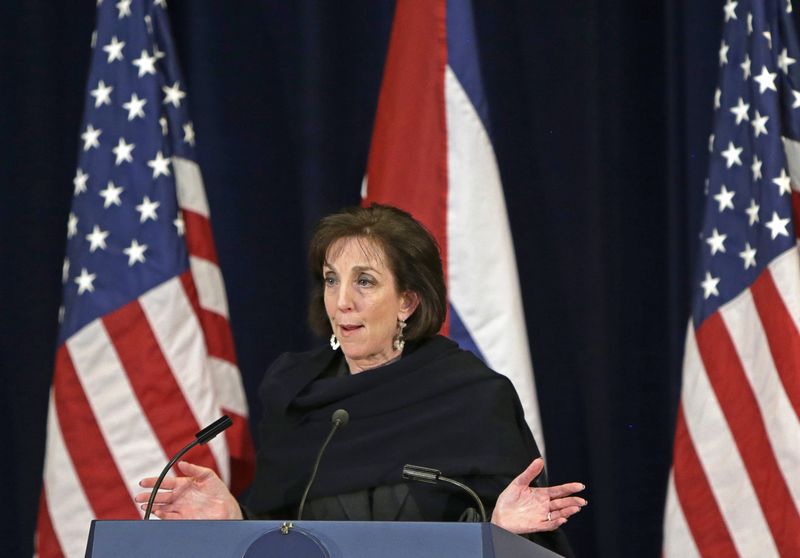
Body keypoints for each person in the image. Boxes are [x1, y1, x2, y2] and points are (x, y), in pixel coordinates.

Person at [136, 204, 586, 555]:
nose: (342, 301)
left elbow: (522, 545)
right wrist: (233, 518)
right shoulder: (296, 393)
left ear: (407, 302)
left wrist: (499, 532)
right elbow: (285, 532)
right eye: (332, 280)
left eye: (365, 282)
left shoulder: (472, 398)